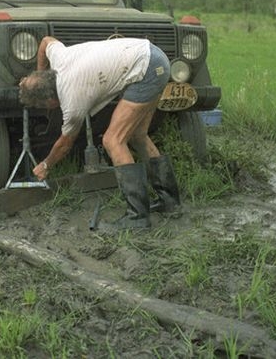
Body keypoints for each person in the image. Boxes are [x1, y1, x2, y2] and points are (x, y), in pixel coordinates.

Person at [18, 36, 180, 230]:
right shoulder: (60, 56)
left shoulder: (72, 101)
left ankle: (137, 218)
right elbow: (45, 42)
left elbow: (65, 144)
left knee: (113, 140)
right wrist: (39, 71)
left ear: (50, 101)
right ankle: (169, 200)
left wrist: (45, 165)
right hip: (153, 56)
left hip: (146, 68)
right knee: (138, 135)